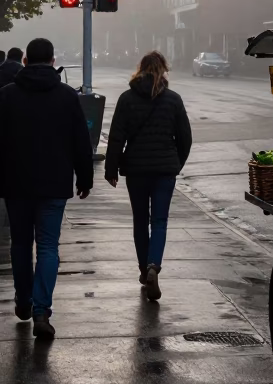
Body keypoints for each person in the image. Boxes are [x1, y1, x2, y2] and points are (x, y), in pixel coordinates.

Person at [0, 37, 93, 339]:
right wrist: (85, 177)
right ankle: (41, 310)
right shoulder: (66, 96)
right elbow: (81, 141)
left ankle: (23, 299)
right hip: (54, 183)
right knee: (49, 247)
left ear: (25, 61)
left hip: (16, 183)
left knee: (20, 244)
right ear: (53, 62)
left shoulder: (7, 95)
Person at [105, 51, 191, 301]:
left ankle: (144, 270)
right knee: (160, 221)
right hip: (165, 170)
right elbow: (185, 138)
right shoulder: (173, 100)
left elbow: (116, 137)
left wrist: (111, 169)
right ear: (163, 70)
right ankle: (154, 265)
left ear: (140, 69)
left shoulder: (127, 98)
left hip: (136, 169)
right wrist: (175, 163)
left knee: (140, 221)